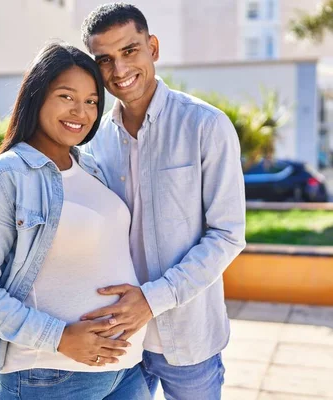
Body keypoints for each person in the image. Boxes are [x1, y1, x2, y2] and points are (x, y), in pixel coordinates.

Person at [0, 41, 150, 400]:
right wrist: (58, 337)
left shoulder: (90, 169)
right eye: (66, 96)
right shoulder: (2, 176)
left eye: (91, 101)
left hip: (126, 373)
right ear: (37, 96)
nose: (81, 111)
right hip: (49, 376)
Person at [80, 3, 247, 399]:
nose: (119, 70)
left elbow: (227, 235)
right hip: (121, 340)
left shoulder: (205, 125)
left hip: (188, 341)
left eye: (129, 51)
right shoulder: (95, 139)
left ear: (153, 47)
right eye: (105, 59)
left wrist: (152, 301)